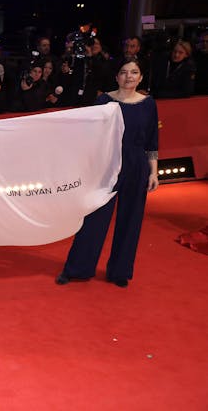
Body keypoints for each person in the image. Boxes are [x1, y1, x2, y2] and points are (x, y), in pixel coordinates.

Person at [56, 58, 158, 288]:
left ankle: (119, 272)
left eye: (134, 72)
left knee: (130, 219)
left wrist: (154, 172)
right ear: (117, 77)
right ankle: (78, 268)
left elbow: (152, 140)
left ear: (141, 77)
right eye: (124, 72)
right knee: (95, 217)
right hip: (107, 163)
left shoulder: (148, 104)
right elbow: (91, 135)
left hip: (136, 165)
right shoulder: (104, 101)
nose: (129, 76)